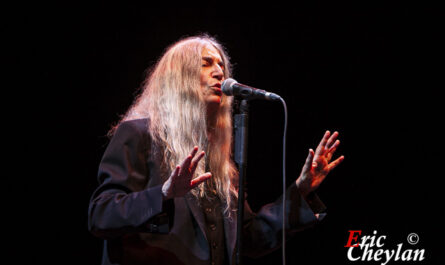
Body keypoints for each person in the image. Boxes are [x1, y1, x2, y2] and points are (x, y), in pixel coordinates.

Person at [88, 34, 344, 265]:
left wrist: (302, 190)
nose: (220, 72)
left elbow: (250, 238)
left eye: (221, 64)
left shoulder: (219, 159)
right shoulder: (139, 134)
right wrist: (163, 193)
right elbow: (101, 214)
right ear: (180, 76)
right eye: (207, 63)